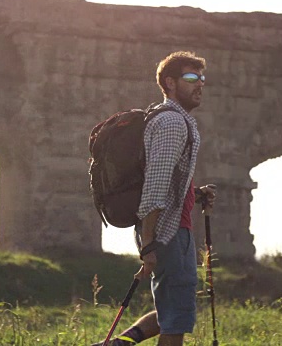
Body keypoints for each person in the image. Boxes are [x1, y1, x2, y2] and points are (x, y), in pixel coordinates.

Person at [93, 51, 216, 346]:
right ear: (170, 83)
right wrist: (148, 242)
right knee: (176, 319)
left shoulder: (169, 119)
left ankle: (120, 344)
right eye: (190, 78)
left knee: (174, 309)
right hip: (168, 233)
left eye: (202, 78)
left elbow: (164, 176)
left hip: (169, 229)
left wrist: (195, 194)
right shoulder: (173, 122)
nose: (199, 84)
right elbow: (156, 185)